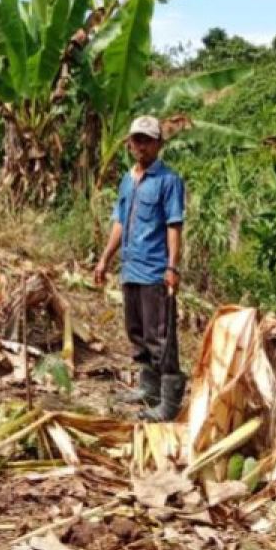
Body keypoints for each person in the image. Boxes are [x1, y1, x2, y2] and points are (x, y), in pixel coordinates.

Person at [94, 116, 186, 421]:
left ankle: (169, 403)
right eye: (137, 140)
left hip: (155, 270)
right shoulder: (126, 180)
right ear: (129, 143)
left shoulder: (168, 181)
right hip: (130, 269)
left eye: (147, 140)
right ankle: (149, 390)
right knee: (136, 332)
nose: (141, 146)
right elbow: (120, 222)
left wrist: (172, 267)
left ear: (159, 144)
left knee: (160, 336)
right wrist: (105, 258)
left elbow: (174, 226)